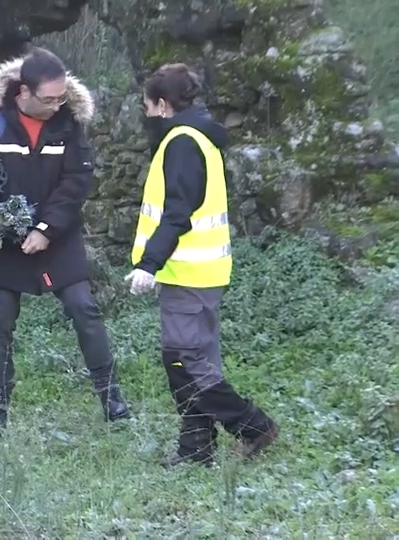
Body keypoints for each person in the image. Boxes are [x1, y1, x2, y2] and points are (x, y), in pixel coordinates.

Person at [0, 47, 131, 427]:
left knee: (84, 310)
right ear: (23, 92)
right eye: (49, 99)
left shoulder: (68, 125)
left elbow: (76, 182)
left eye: (62, 98)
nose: (57, 106)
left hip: (57, 238)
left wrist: (46, 228)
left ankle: (113, 402)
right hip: (4, 242)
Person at [125, 62, 280, 467]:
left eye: (147, 106)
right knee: (194, 362)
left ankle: (253, 426)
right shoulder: (200, 136)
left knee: (183, 363)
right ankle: (196, 450)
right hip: (199, 272)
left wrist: (148, 263)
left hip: (189, 273)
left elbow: (179, 211)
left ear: (162, 105)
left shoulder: (181, 142)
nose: (145, 114)